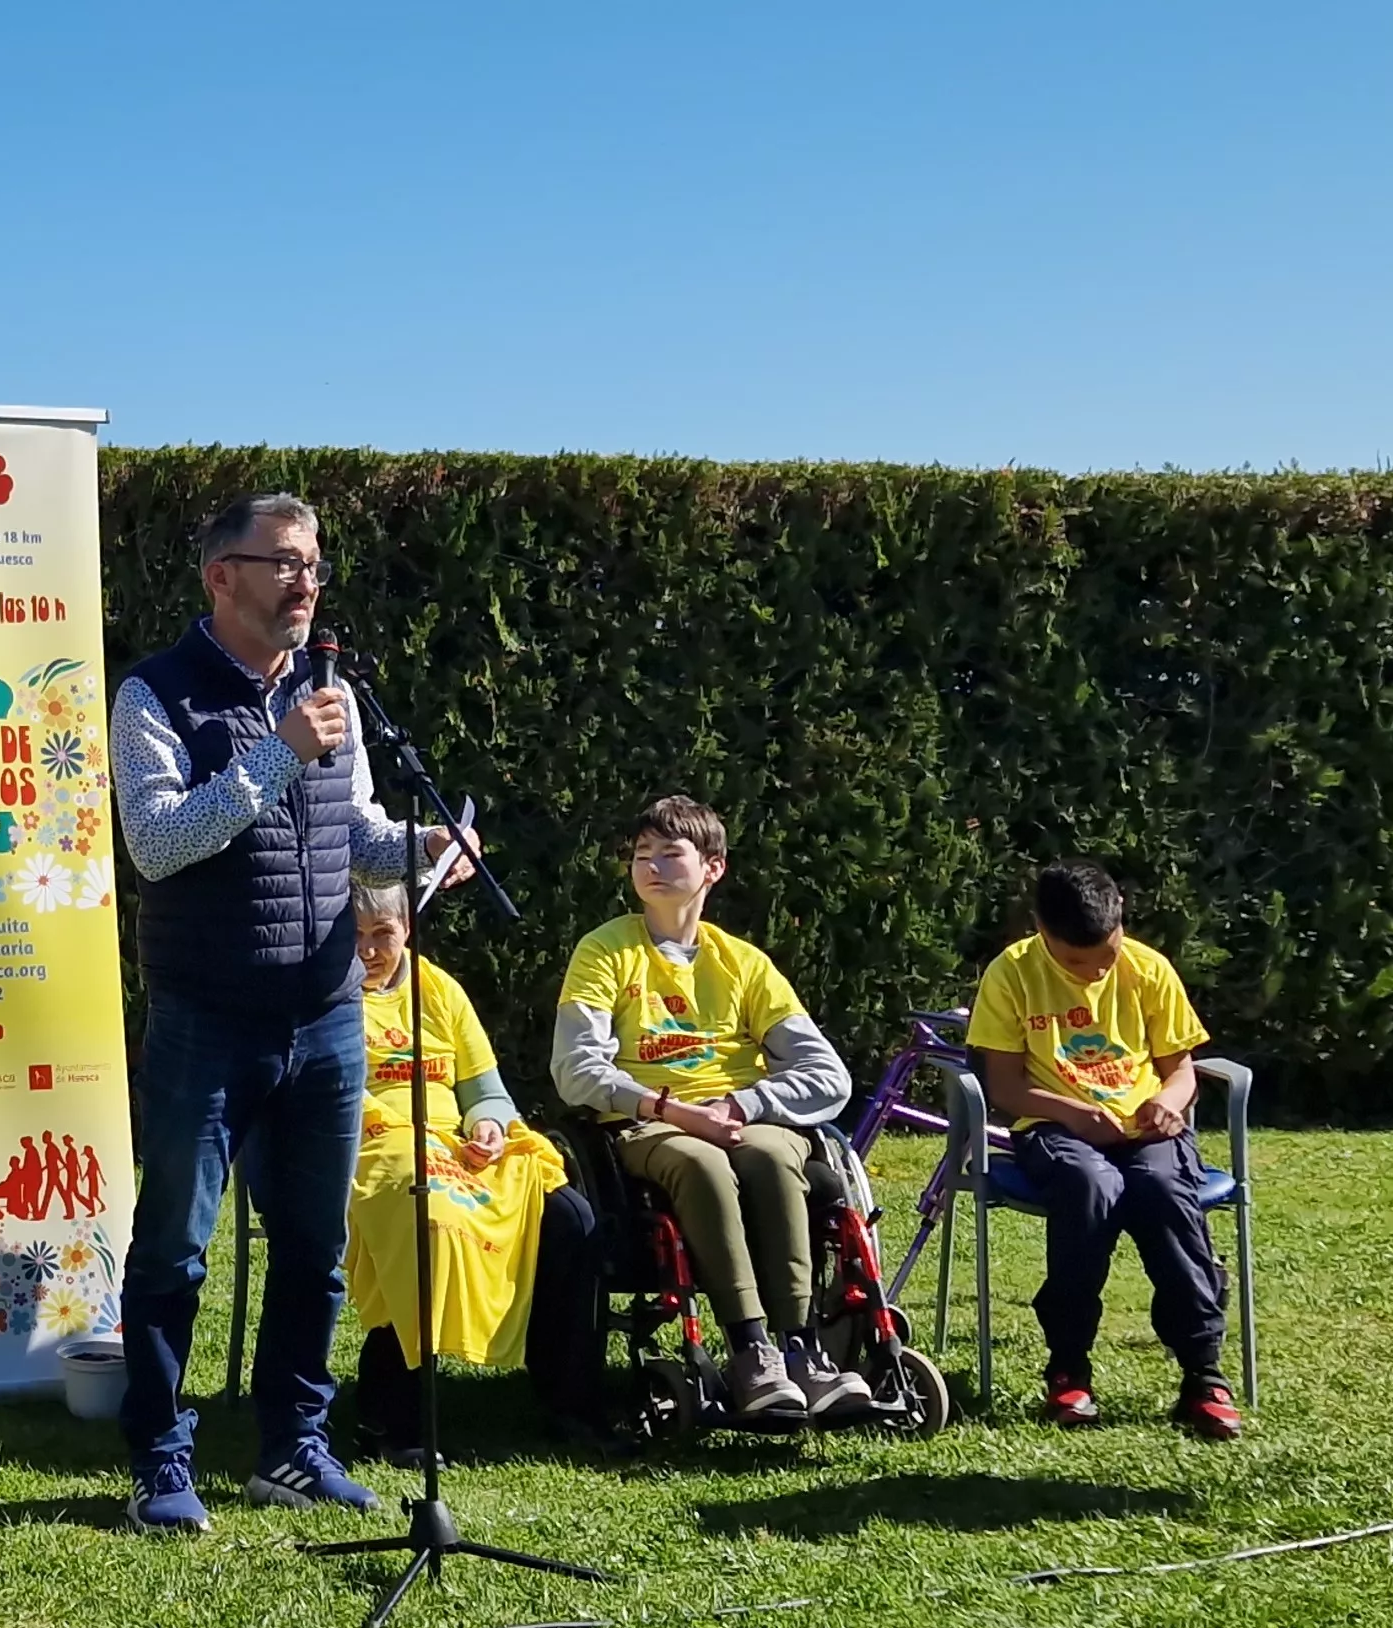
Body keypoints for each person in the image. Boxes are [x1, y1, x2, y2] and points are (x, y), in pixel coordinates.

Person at [106, 491, 473, 1532]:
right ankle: (160, 1458)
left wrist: (424, 851)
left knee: (314, 1247)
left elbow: (351, 832)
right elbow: (160, 842)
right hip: (206, 1019)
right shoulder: (153, 694)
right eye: (284, 563)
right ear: (221, 577)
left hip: (325, 1017)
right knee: (176, 1247)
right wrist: (276, 752)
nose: (306, 582)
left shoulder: (329, 689)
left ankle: (293, 1449)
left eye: (314, 564)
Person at [550, 796, 869, 1423]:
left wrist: (743, 1102)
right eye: (642, 855)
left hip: (741, 1115)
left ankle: (802, 1351)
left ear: (713, 868)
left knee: (777, 1154)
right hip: (648, 1123)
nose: (652, 867)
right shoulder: (605, 952)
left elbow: (828, 1075)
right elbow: (575, 1069)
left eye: (671, 854)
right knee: (702, 1164)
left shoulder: (745, 964)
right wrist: (671, 1109)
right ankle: (751, 1350)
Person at [966, 860, 1240, 1438]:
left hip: (1149, 1130)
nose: (1093, 971)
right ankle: (1068, 1369)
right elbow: (1005, 1088)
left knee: (1163, 1190)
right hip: (1055, 1129)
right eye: (1073, 961)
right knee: (1092, 1187)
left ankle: (1204, 1375)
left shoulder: (1149, 968)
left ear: (1120, 919)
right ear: (1040, 928)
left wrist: (1169, 1101)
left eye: (1107, 954)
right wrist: (1074, 1113)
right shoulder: (1009, 975)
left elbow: (1182, 1071)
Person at [340, 878, 604, 1463]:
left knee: (567, 1215)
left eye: (383, 935)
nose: (368, 951)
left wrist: (486, 1123)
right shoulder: (326, 990)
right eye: (354, 936)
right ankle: (394, 1414)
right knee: (427, 1219)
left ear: (407, 930)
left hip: (456, 1145)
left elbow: (485, 1090)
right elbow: (329, 1091)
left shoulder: (439, 989)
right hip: (371, 1141)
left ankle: (568, 1399)